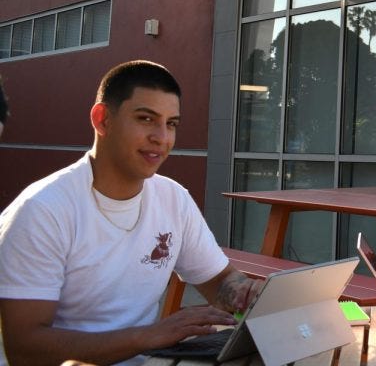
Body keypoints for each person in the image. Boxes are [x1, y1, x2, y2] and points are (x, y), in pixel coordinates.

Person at [0, 61, 263, 366]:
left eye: (172, 123)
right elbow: (25, 348)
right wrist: (147, 336)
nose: (162, 138)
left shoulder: (173, 199)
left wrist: (248, 294)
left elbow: (219, 282)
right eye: (145, 119)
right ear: (102, 120)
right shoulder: (42, 211)